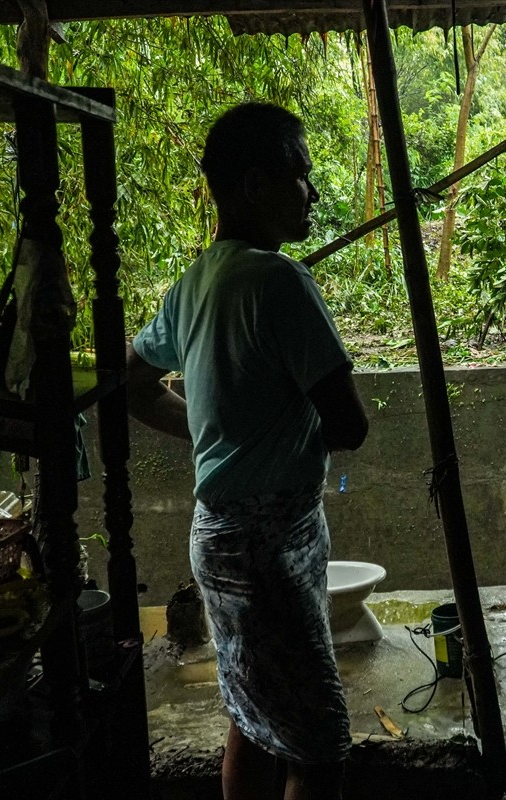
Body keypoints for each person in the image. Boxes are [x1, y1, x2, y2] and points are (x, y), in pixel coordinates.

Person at [126, 103, 368, 800]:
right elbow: (349, 425)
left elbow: (135, 386)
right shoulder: (279, 283)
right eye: (302, 175)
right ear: (257, 184)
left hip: (219, 536)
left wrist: (221, 433)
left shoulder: (195, 282)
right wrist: (264, 431)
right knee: (319, 748)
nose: (313, 194)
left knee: (253, 716)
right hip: (267, 547)